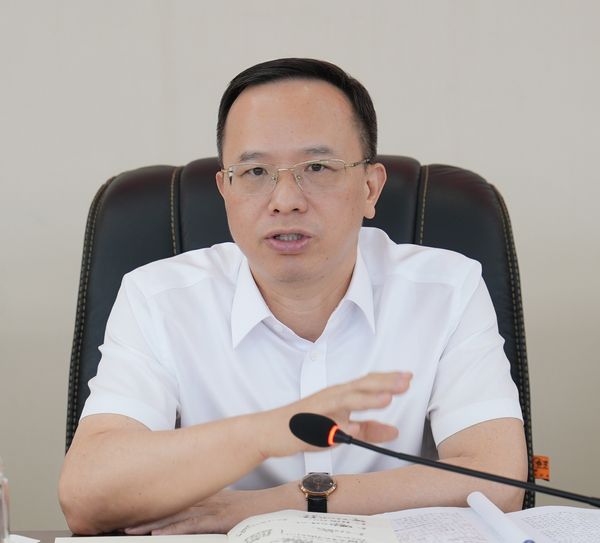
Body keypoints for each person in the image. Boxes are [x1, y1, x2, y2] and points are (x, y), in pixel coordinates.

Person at [58, 58, 527, 535]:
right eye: (255, 171)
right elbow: (87, 494)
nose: (285, 201)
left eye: (317, 167)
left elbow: (497, 479)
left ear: (370, 188)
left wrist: (278, 504)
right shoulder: (157, 298)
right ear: (225, 190)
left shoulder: (446, 289)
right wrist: (266, 434)